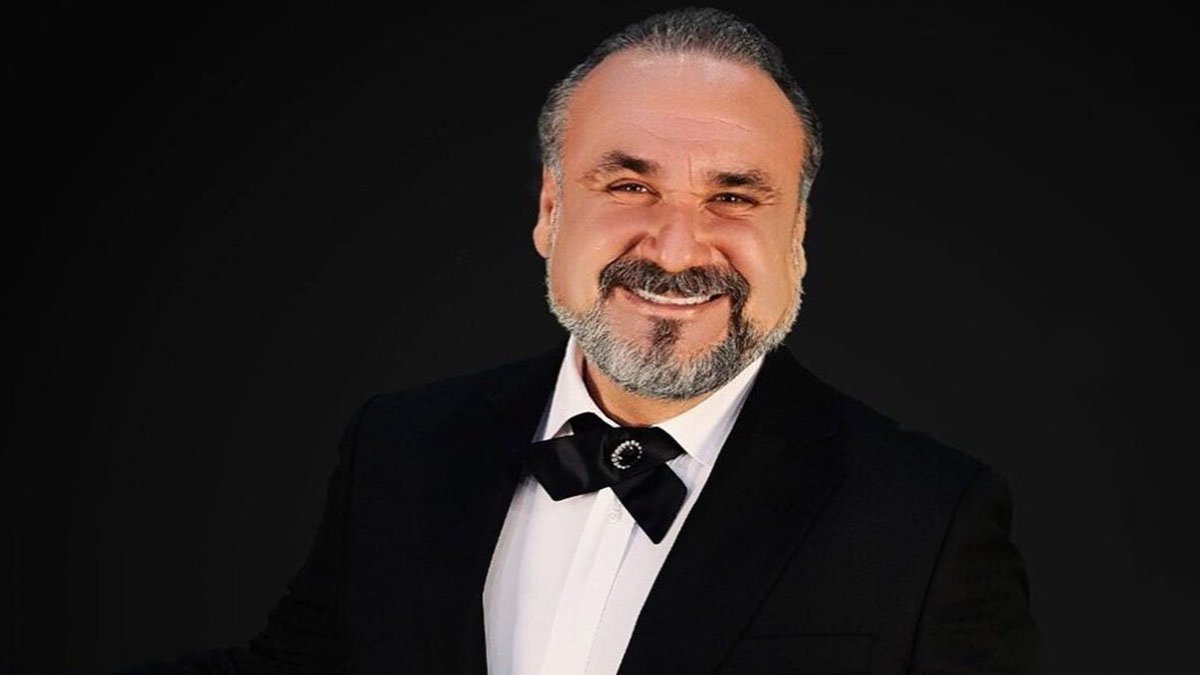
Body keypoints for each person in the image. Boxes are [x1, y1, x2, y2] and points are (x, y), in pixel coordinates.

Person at [125, 7, 1042, 674]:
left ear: (796, 237)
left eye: (733, 196)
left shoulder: (929, 519)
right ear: (550, 209)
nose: (676, 250)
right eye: (629, 185)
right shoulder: (400, 448)